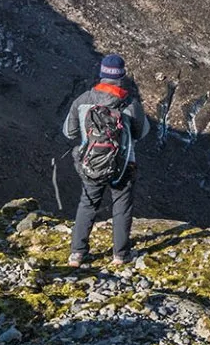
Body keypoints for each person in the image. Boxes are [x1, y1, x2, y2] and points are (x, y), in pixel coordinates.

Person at [62, 53, 149, 267]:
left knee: (88, 204)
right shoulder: (130, 103)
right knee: (122, 206)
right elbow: (142, 132)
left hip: (92, 164)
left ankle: (77, 254)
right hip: (124, 165)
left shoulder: (83, 100)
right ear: (122, 76)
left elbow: (69, 132)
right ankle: (120, 255)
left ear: (101, 74)